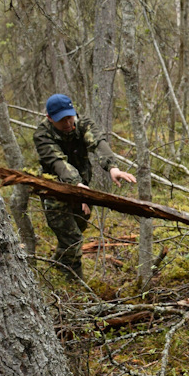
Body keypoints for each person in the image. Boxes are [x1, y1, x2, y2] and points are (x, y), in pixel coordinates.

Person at [34, 93, 136, 279]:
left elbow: (97, 142)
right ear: (49, 118)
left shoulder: (83, 124)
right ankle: (74, 282)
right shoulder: (42, 135)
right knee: (72, 238)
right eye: (61, 120)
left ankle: (57, 266)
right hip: (54, 191)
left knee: (79, 227)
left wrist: (112, 167)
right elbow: (58, 162)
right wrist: (77, 186)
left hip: (82, 187)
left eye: (69, 117)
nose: (67, 123)